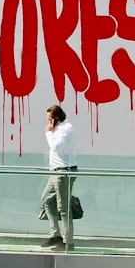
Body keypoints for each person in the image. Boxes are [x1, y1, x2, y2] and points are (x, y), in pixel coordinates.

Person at [40, 104, 78, 250]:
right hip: (56, 171)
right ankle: (55, 235)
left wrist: (48, 133)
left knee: (63, 207)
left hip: (64, 171)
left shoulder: (65, 129)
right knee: (46, 199)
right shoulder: (59, 129)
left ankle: (68, 243)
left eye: (50, 120)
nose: (48, 123)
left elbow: (56, 147)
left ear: (56, 118)